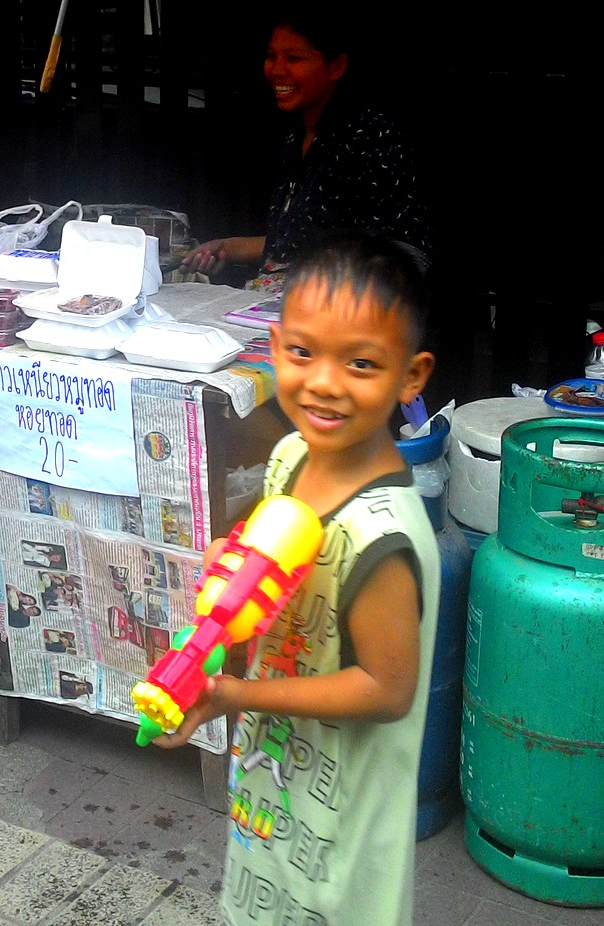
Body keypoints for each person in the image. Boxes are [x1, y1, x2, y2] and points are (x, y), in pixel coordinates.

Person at [156, 230, 439, 924]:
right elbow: (267, 576)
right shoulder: (290, 457)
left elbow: (386, 688)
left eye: (362, 363)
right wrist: (230, 569)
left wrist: (235, 694)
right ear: (276, 347)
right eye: (304, 353)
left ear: (411, 376)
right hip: (275, 797)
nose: (324, 382)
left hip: (340, 838)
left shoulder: (383, 535)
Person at [178, 13, 433, 297]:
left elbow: (404, 255)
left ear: (336, 66)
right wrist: (226, 247)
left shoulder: (371, 138)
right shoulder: (297, 135)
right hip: (276, 302)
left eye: (293, 58)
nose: (277, 70)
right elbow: (293, 243)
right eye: (271, 56)